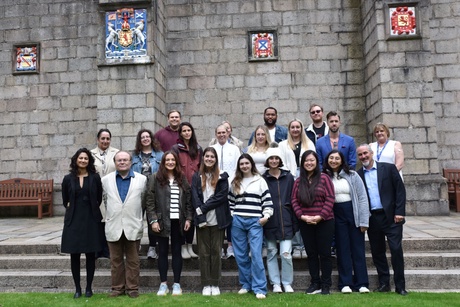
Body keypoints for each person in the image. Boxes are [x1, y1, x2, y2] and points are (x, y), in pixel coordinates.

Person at [356, 144, 408, 296]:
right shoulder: (358, 175)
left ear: (371, 153)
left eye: (365, 153)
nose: (363, 157)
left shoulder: (388, 168)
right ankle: (384, 283)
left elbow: (400, 190)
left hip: (392, 217)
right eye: (360, 155)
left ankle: (400, 286)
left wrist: (400, 212)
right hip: (373, 218)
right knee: (377, 252)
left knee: (396, 250)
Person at [145, 151, 193, 296]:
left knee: (177, 252)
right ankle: (163, 284)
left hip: (178, 221)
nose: (170, 162)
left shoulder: (182, 178)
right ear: (163, 162)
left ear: (176, 162)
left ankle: (177, 285)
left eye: (173, 160)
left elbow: (188, 201)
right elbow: (149, 201)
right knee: (163, 252)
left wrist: (189, 218)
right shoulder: (155, 178)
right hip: (161, 221)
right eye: (168, 160)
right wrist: (153, 220)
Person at [323, 149, 370, 293]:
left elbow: (362, 197)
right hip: (336, 215)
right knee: (342, 249)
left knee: (358, 249)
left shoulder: (352, 175)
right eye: (331, 158)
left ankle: (362, 283)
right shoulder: (325, 177)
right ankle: (345, 283)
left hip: (353, 213)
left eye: (337, 158)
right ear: (327, 160)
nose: (334, 161)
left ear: (342, 160)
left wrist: (364, 221)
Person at [102, 151, 147, 298]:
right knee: (115, 260)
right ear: (115, 163)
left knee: (133, 260)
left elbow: (143, 201)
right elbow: (105, 201)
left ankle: (132, 288)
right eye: (119, 160)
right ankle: (117, 288)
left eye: (125, 160)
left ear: (131, 162)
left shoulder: (142, 179)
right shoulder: (106, 180)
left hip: (133, 224)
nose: (122, 162)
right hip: (113, 225)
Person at [229, 153, 273, 299]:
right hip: (238, 221)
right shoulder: (235, 181)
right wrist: (233, 214)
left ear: (251, 165)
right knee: (241, 255)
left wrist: (266, 216)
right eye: (241, 164)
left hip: (255, 221)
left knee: (256, 254)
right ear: (239, 166)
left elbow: (267, 201)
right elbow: (230, 201)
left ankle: (260, 287)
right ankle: (246, 284)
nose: (244, 166)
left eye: (247, 163)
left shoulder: (260, 180)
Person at [291, 150, 335, 295]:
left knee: (325, 253)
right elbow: (294, 201)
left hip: (325, 221)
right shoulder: (298, 181)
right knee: (311, 253)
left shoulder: (324, 178)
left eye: (312, 160)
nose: (309, 163)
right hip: (306, 222)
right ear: (302, 164)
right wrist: (302, 217)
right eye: (306, 161)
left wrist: (320, 216)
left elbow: (330, 198)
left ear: (316, 162)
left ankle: (326, 284)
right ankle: (315, 282)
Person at [61, 148, 103, 299]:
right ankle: (77, 288)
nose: (83, 160)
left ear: (89, 161)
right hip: (73, 220)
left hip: (91, 219)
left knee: (91, 255)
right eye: (81, 158)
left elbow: (98, 198)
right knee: (75, 255)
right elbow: (65, 199)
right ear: (76, 160)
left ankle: (88, 288)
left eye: (86, 158)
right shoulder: (67, 179)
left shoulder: (95, 178)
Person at [191, 147, 232, 296]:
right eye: (207, 156)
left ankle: (215, 283)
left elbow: (220, 197)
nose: (209, 159)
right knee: (204, 253)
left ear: (216, 160)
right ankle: (205, 284)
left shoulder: (222, 176)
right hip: (202, 220)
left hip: (217, 220)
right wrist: (200, 213)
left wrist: (203, 208)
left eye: (212, 157)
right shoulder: (197, 176)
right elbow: (194, 196)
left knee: (216, 252)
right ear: (203, 158)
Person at [278, 119, 315, 259]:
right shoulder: (282, 145)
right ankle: (294, 245)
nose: (295, 129)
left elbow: (313, 161)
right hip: (288, 178)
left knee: (304, 208)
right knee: (292, 210)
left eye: (297, 127)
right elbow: (280, 163)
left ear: (301, 128)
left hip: (306, 178)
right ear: (289, 129)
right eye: (292, 127)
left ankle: (304, 245)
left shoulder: (309, 143)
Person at [262, 147, 296, 293]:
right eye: (271, 158)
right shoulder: (263, 179)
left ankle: (287, 282)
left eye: (276, 158)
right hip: (270, 220)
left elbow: (294, 197)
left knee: (286, 254)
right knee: (271, 252)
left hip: (287, 220)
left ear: (280, 160)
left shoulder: (288, 177)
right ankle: (275, 283)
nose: (274, 161)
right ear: (267, 161)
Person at [131, 128, 164, 259]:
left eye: (147, 136)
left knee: (152, 219)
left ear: (151, 139)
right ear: (140, 140)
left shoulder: (160, 155)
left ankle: (152, 247)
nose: (145, 139)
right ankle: (135, 244)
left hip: (154, 191)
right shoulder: (134, 156)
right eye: (142, 137)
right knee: (136, 218)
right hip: (138, 191)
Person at [172, 122, 203, 259]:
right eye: (184, 131)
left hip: (195, 187)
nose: (186, 133)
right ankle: (183, 246)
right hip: (181, 186)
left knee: (193, 216)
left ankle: (190, 246)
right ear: (180, 133)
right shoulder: (175, 148)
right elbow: (173, 166)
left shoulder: (198, 148)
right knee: (183, 216)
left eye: (189, 130)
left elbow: (201, 166)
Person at [211, 124, 241, 258]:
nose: (222, 135)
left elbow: (237, 167)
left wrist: (233, 183)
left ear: (228, 133)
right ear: (216, 134)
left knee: (229, 216)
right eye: (219, 132)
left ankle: (229, 246)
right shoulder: (212, 149)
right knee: (217, 216)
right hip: (214, 187)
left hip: (230, 187)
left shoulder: (234, 149)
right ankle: (218, 246)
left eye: (224, 132)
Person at [90, 128, 119, 258]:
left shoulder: (116, 153)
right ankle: (97, 249)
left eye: (108, 139)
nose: (105, 141)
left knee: (110, 220)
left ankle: (108, 249)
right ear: (98, 139)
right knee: (97, 221)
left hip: (111, 190)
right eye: (103, 138)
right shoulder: (90, 154)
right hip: (95, 191)